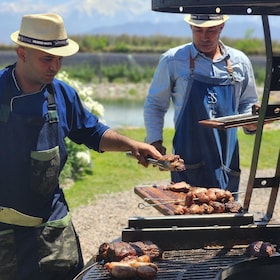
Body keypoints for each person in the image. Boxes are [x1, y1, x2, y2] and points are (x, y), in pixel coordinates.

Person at [0, 13, 163, 280]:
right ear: (22, 53)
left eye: (60, 59)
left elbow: (92, 132)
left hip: (54, 227)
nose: (55, 67)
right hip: (4, 233)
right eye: (47, 58)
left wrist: (132, 145)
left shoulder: (61, 94)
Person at [144, 14, 259, 194]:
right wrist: (154, 141)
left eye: (211, 30)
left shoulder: (240, 61)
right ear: (190, 27)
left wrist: (251, 123)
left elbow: (248, 102)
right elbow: (155, 104)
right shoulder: (173, 60)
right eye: (198, 30)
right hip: (187, 160)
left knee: (226, 212)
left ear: (222, 26)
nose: (204, 36)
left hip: (227, 160)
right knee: (188, 213)